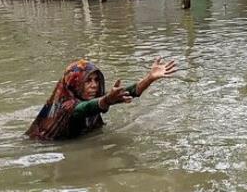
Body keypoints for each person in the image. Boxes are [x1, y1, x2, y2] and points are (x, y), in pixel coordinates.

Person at [26, 57, 177, 140]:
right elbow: (85, 108)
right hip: (45, 146)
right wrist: (107, 100)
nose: (94, 86)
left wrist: (149, 78)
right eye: (88, 81)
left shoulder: (93, 99)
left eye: (96, 80)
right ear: (74, 83)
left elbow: (128, 92)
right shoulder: (67, 106)